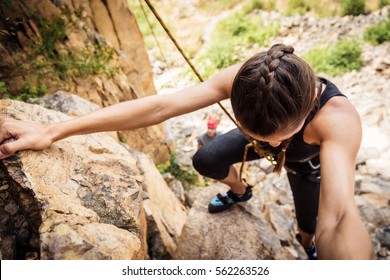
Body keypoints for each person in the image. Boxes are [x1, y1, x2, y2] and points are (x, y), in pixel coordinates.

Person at [0, 44, 373, 260]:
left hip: (306, 163)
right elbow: (160, 107)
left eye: (280, 136)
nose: (272, 145)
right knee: (206, 158)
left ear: (308, 103)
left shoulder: (337, 119)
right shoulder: (248, 79)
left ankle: (308, 250)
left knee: (311, 228)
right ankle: (242, 191)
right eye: (259, 134)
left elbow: (339, 216)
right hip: (267, 133)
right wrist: (53, 131)